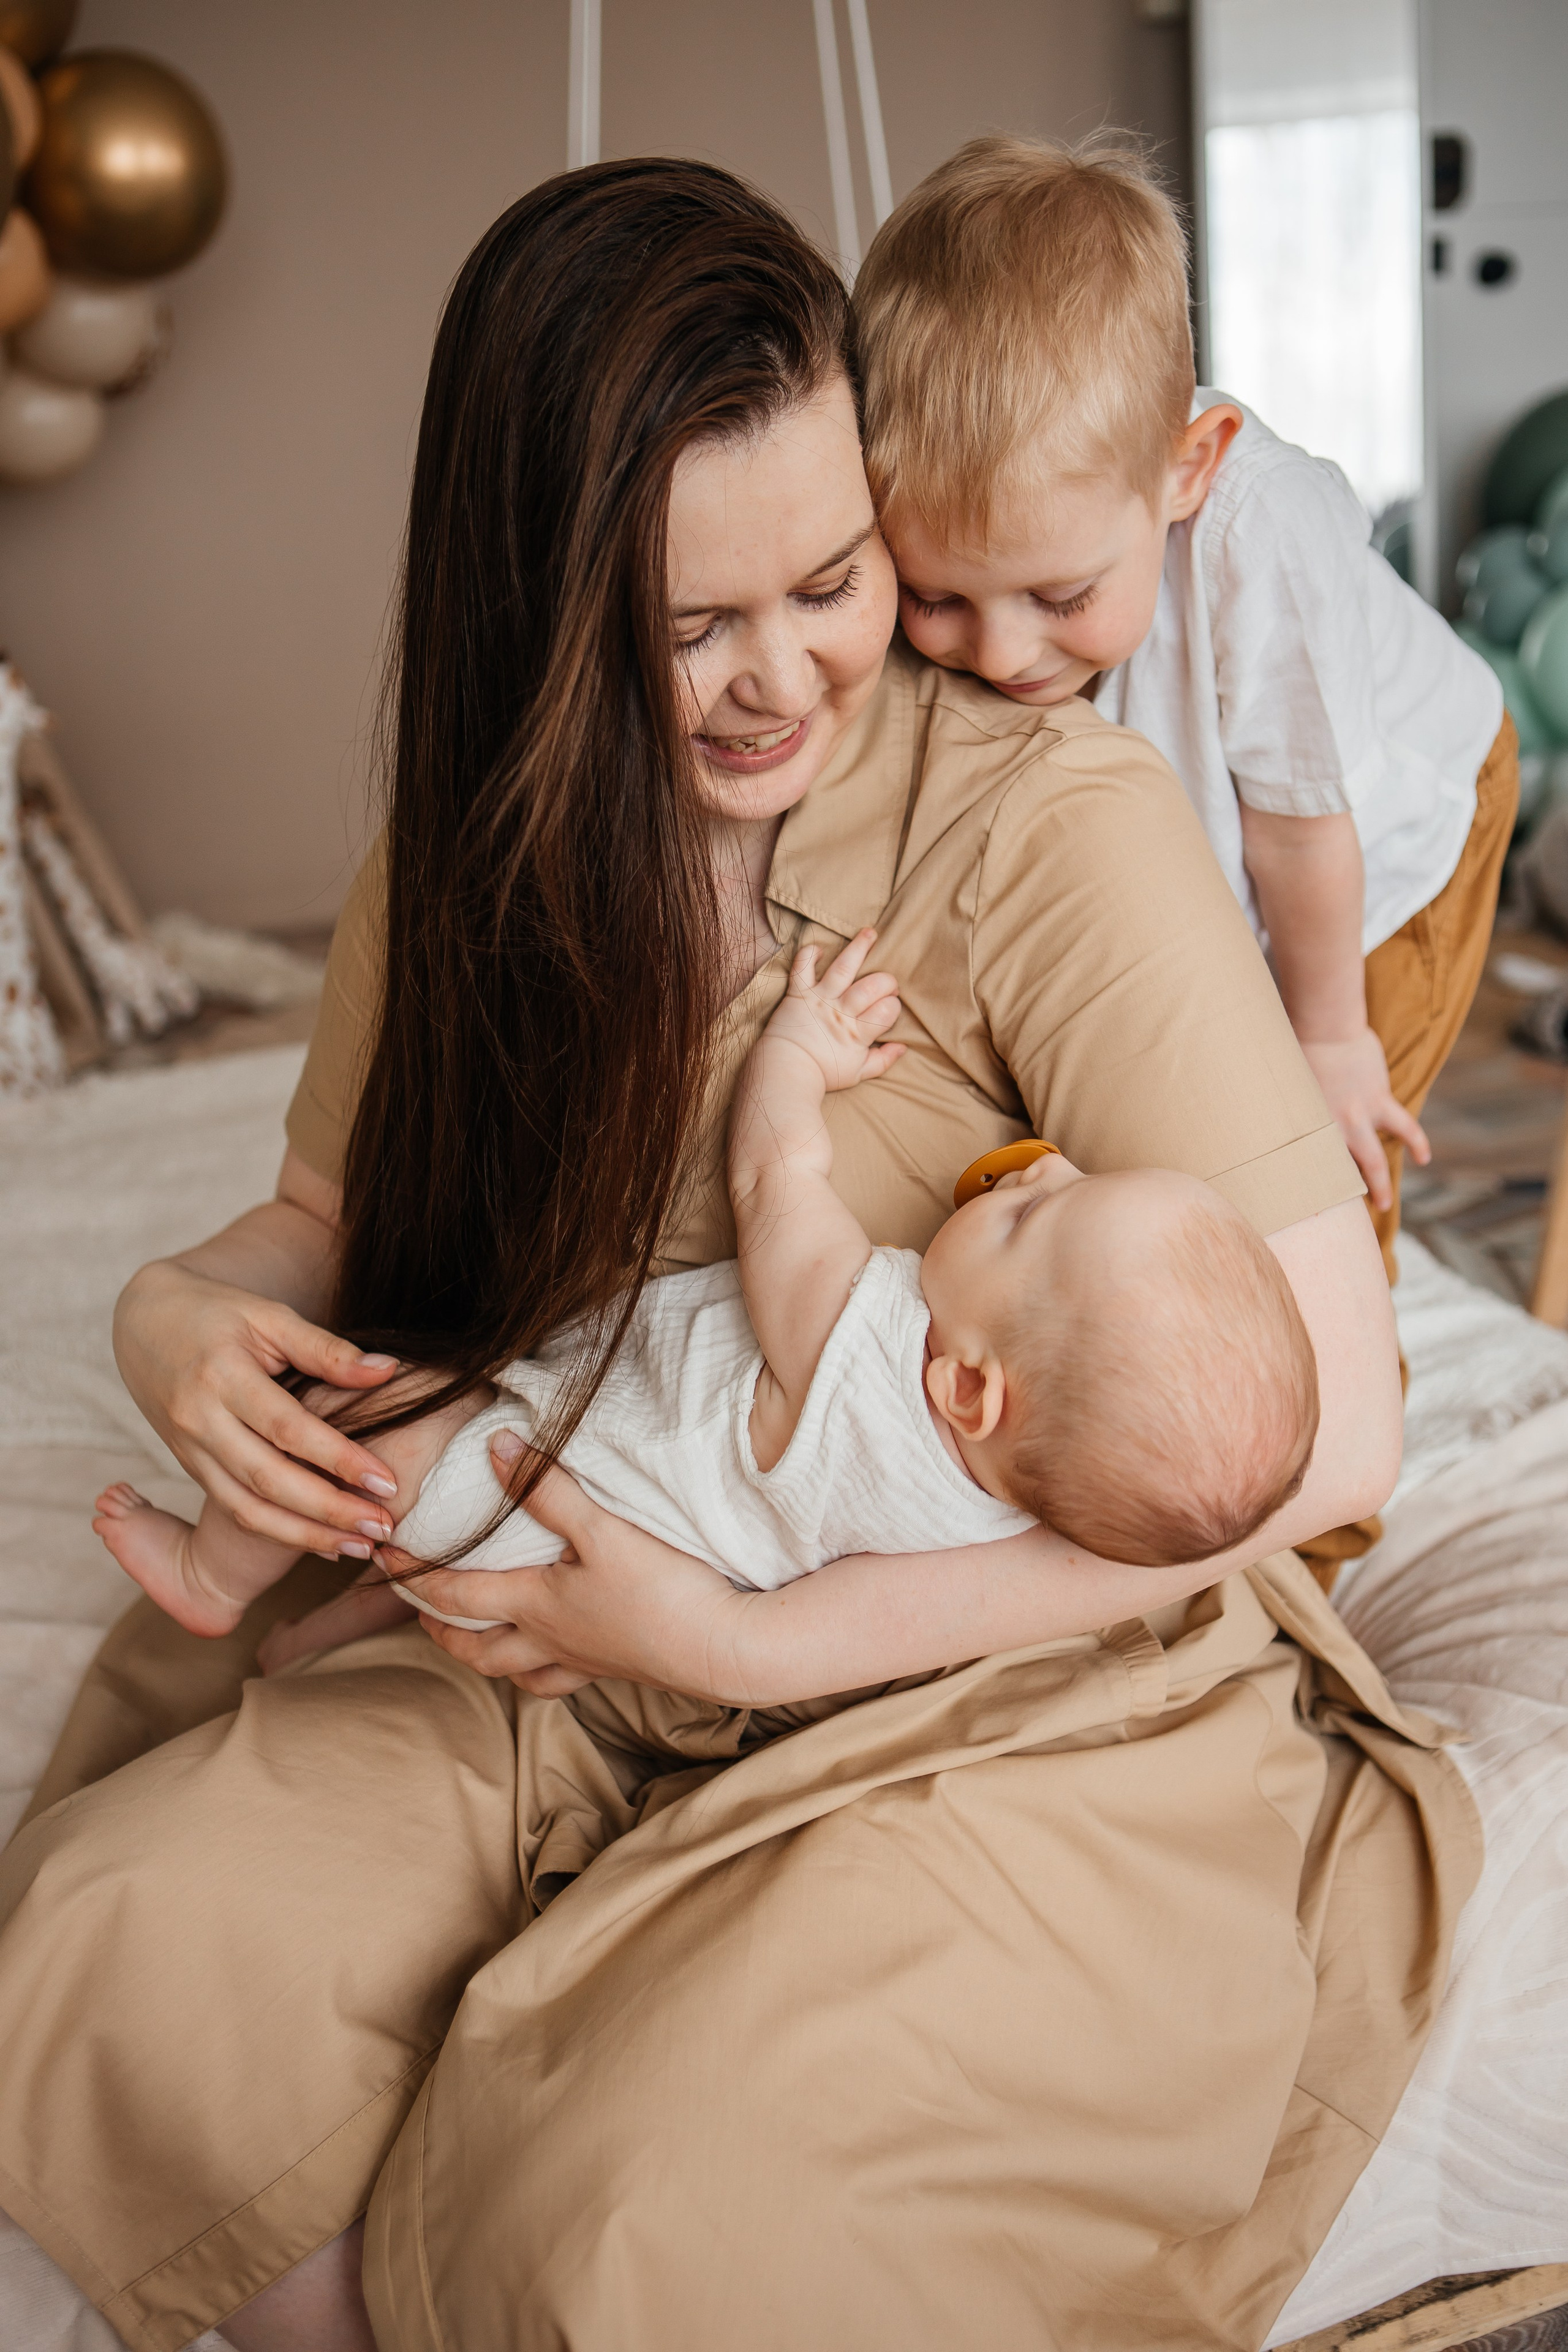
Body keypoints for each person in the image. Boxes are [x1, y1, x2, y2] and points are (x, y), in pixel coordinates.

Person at [0, 160, 1475, 2352]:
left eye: (837, 580)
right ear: (543, 600)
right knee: (118, 1954)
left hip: (1008, 1667)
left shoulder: (1048, 825)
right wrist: (177, 1309)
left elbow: (1333, 1428)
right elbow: (324, 1223)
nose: (783, 677)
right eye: (692, 627)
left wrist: (759, 1648)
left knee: (640, 2206)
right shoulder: (476, 851)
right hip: (572, 1610)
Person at [854, 138, 1520, 1551]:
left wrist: (1327, 1039)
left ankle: (1315, 1489)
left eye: (1055, 593)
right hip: (1237, 834)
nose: (1001, 651)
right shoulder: (1025, 568)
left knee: (1299, 1160)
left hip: (1384, 838)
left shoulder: (1254, 533)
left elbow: (1297, 829)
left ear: (1183, 466)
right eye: (938, 600)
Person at [108, 927, 1318, 1677]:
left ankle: (212, 1581)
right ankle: (336, 1626)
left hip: (530, 1489)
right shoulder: (998, 1514)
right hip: (607, 1552)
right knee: (421, 1517)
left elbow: (768, 1175)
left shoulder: (857, 1346)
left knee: (356, 1417)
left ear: (965, 1384)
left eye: (1030, 1216)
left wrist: (801, 1047)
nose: (1045, 1165)